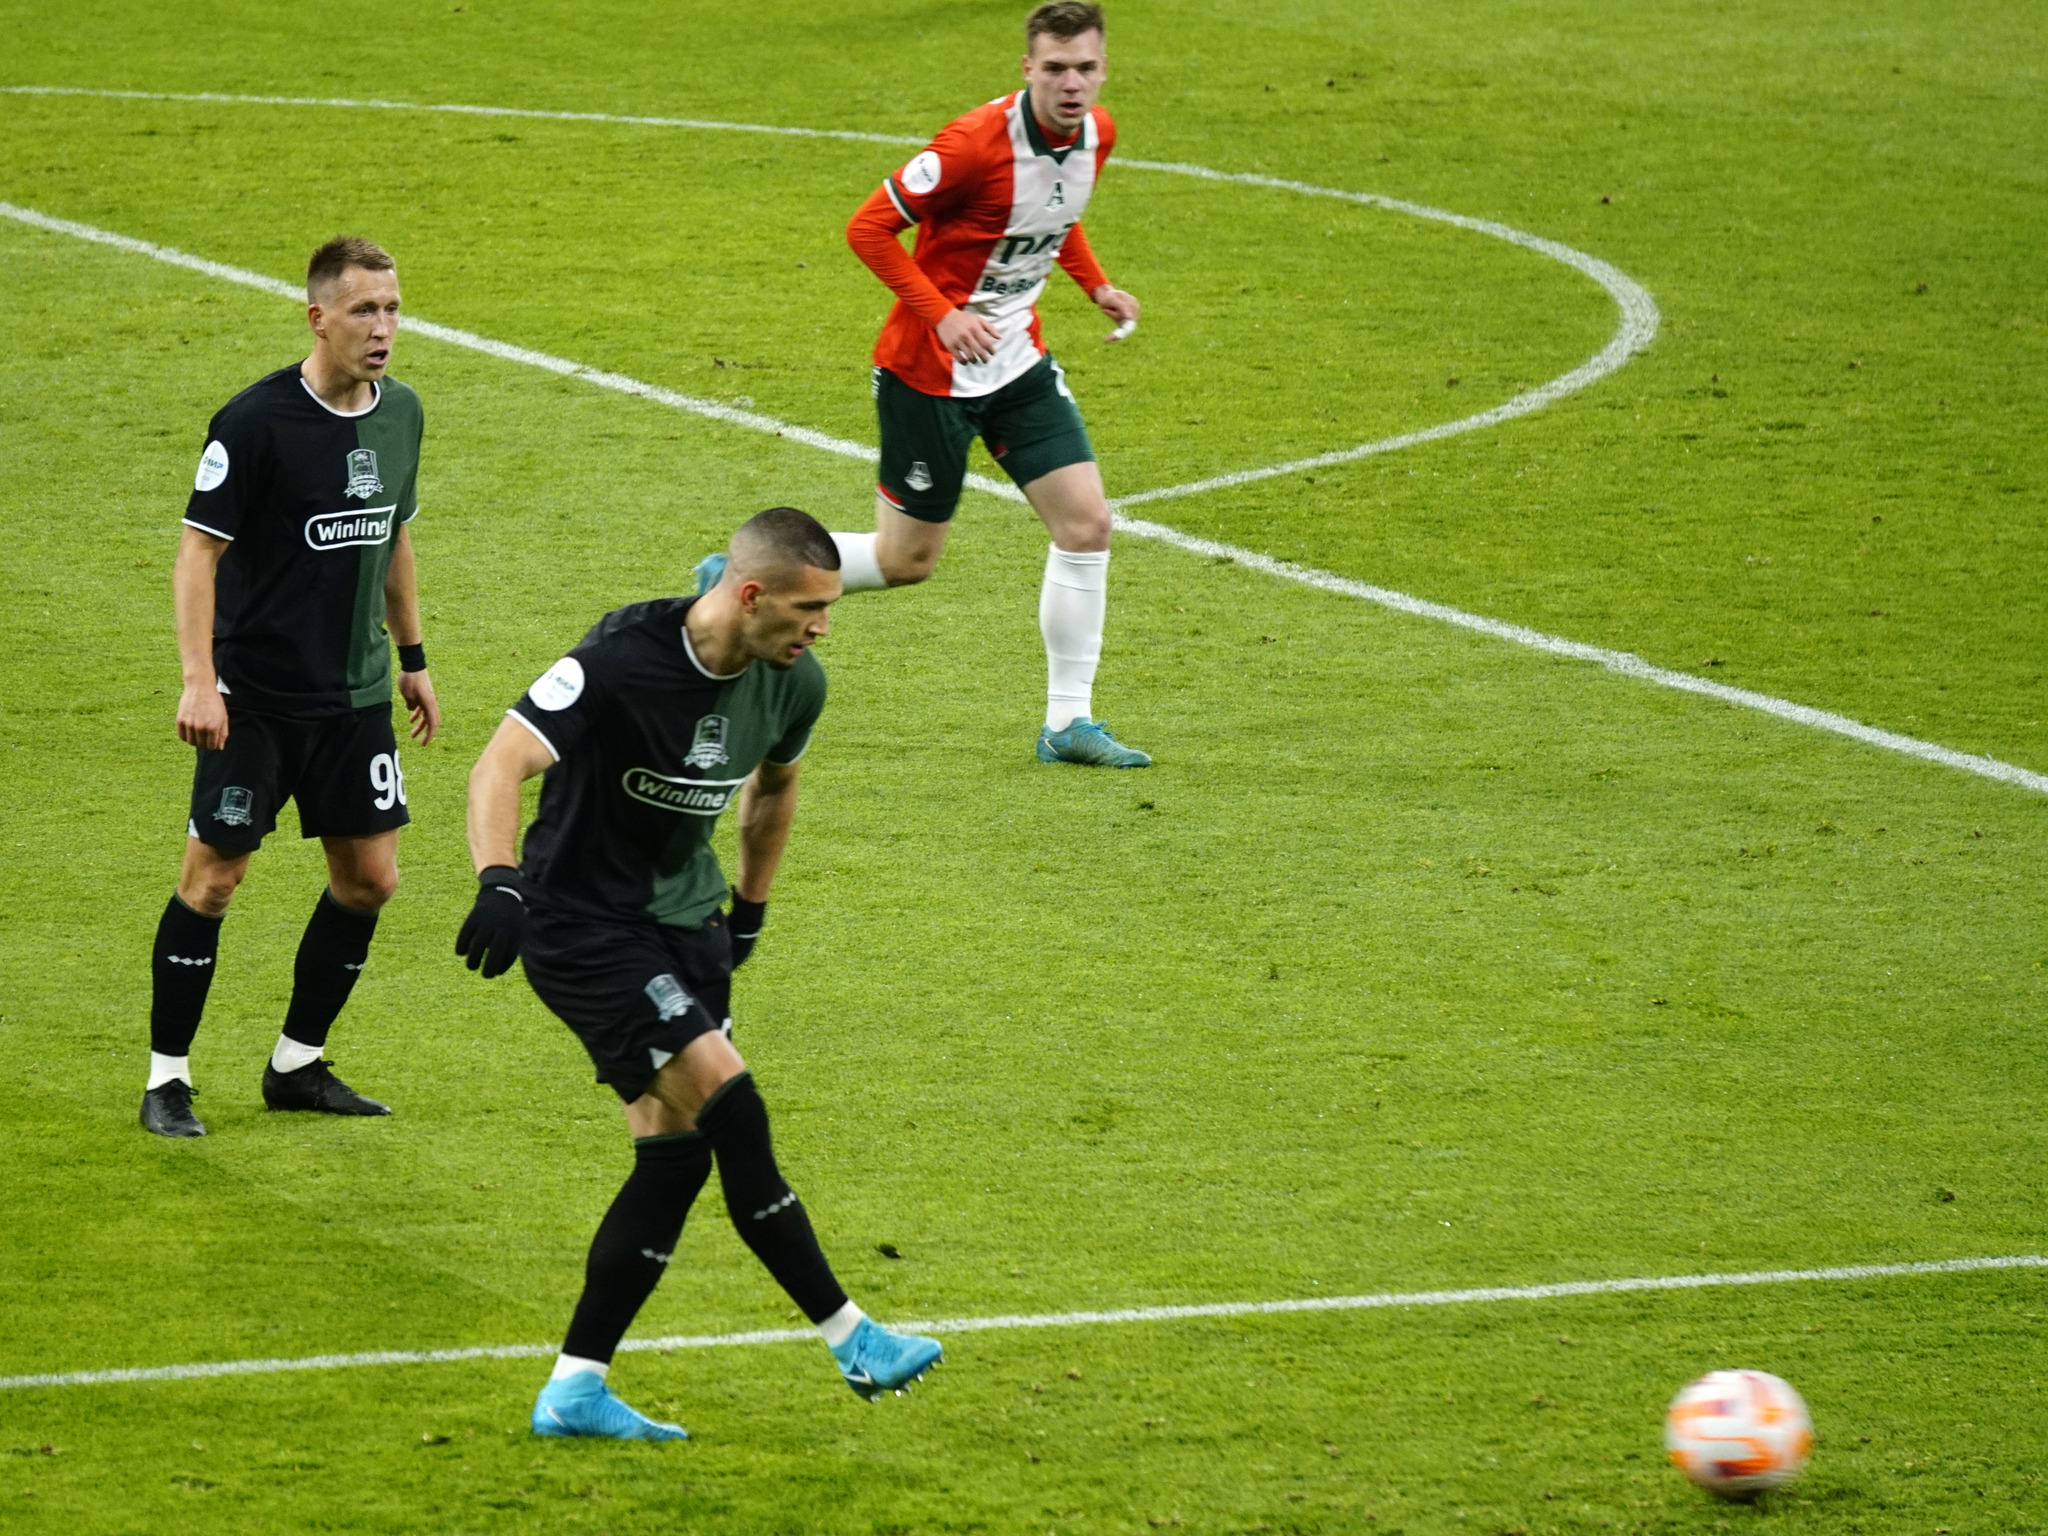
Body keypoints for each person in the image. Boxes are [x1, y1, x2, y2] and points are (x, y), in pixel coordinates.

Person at [457, 507, 943, 1440]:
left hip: (688, 926)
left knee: (673, 1157)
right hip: (582, 926)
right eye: (808, 608)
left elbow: (773, 790)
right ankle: (851, 1335)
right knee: (733, 1102)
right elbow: (500, 761)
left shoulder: (795, 685)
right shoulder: (618, 658)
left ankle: (575, 1389)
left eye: (831, 607)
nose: (822, 626)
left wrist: (751, 912)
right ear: (749, 594)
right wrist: (499, 883)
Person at [697, 1, 1150, 768]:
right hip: (928, 372)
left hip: (1018, 365)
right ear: (1027, 68)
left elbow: (1055, 217)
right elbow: (867, 227)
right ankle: (736, 575)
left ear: (1103, 69)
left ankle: (1068, 723)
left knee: (1087, 526)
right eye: (1055, 68)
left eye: (1085, 69)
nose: (1071, 84)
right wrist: (941, 315)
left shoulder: (1097, 135)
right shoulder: (973, 145)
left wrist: (1095, 285)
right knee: (908, 561)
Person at [140, 235, 439, 1139]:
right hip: (257, 701)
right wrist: (202, 681)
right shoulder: (254, 422)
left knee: (371, 879)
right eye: (362, 310)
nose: (382, 327)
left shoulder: (404, 414)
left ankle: (297, 1063)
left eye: (391, 308)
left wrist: (413, 658)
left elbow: (390, 534)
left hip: (354, 699)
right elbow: (200, 551)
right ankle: (166, 1079)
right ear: (318, 318)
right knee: (215, 878)